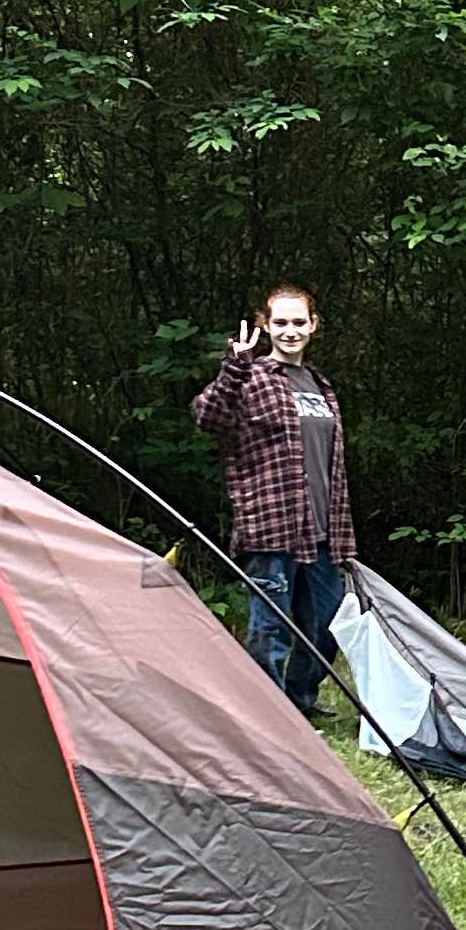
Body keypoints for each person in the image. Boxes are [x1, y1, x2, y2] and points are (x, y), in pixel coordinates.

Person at [192, 281, 358, 720]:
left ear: (313, 325)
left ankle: (299, 701)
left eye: (298, 322)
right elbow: (208, 417)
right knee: (272, 629)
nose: (290, 331)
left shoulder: (321, 385)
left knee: (327, 626)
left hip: (323, 532)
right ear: (265, 326)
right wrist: (234, 367)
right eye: (280, 322)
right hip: (271, 531)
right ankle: (266, 718)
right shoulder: (251, 378)